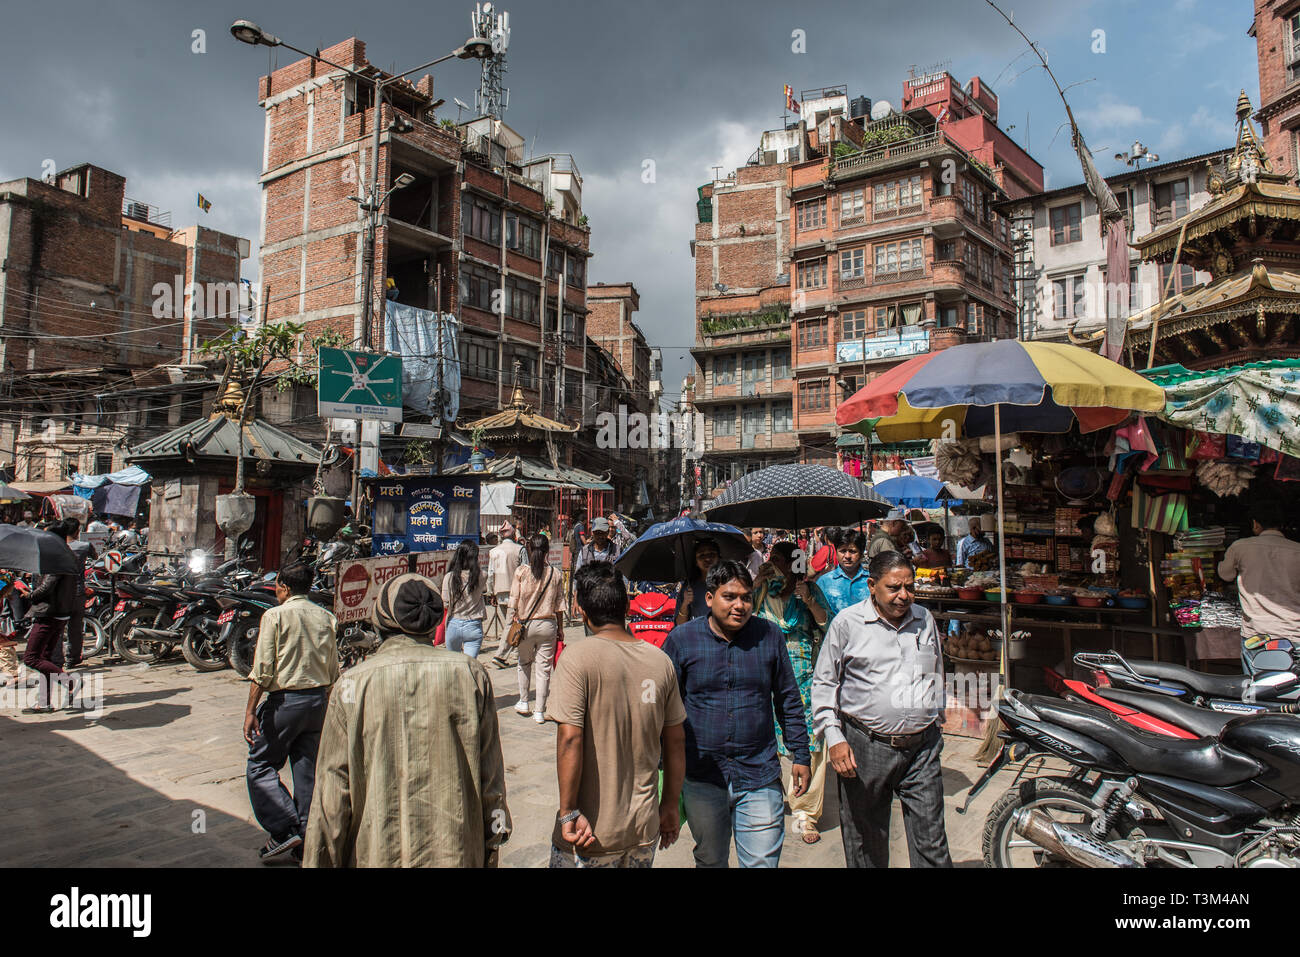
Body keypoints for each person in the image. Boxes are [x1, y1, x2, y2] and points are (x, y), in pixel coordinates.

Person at [303, 573, 511, 867]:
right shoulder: (471, 675)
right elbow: (492, 779)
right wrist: (493, 841)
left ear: (382, 618)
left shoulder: (352, 684)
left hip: (377, 852)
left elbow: (331, 798)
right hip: (457, 852)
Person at [664, 561, 810, 868]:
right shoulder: (682, 640)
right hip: (702, 775)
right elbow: (662, 707)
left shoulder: (768, 636)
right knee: (711, 859)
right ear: (709, 598)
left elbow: (787, 698)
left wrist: (800, 753)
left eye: (745, 597)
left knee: (761, 863)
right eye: (729, 596)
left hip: (759, 773)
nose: (739, 605)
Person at [811, 550, 953, 869]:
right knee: (866, 842)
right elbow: (823, 684)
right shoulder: (847, 624)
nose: (904, 596)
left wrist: (936, 720)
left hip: (922, 748)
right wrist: (834, 738)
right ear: (872, 586)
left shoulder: (924, 619)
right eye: (894, 587)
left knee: (932, 841)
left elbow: (935, 672)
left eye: (909, 586)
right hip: (864, 747)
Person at [546, 561, 687, 867]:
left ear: (580, 609)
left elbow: (570, 739)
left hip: (588, 832)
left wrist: (568, 811)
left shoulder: (576, 659)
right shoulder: (659, 661)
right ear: (626, 605)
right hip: (642, 827)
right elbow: (676, 742)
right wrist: (670, 805)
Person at [244, 561, 339, 863]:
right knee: (306, 772)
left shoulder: (274, 616)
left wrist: (249, 711)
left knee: (260, 765)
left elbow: (262, 670)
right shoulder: (326, 617)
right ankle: (306, 843)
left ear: (283, 587)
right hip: (317, 702)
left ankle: (285, 829)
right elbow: (333, 669)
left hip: (285, 702)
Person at [753, 541, 828, 845]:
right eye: (773, 559)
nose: (775, 564)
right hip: (765, 675)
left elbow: (827, 626)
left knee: (809, 742)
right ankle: (767, 801)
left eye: (781, 560)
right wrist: (756, 584)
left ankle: (805, 813)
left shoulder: (808, 590)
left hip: (803, 677)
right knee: (767, 739)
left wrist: (809, 601)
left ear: (793, 563)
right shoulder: (760, 589)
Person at [1217, 504, 1300, 674]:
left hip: (1257, 633)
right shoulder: (1297, 550)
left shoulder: (1240, 547)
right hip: (1293, 632)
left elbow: (1225, 575)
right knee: (1293, 688)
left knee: (1257, 689)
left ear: (1255, 524)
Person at [508, 533, 564, 724]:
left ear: (529, 549)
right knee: (544, 669)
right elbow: (560, 605)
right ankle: (540, 711)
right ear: (548, 551)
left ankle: (524, 701)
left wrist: (513, 618)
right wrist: (561, 629)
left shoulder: (521, 572)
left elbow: (513, 599)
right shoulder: (556, 574)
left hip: (525, 624)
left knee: (524, 663)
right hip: (548, 625)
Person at [21, 558, 77, 713]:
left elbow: (46, 588)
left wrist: (29, 595)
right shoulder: (67, 560)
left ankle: (70, 682)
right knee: (44, 659)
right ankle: (44, 702)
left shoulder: (55, 562)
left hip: (48, 614)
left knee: (31, 658)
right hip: (59, 613)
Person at [487, 522, 526, 668]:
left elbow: (491, 575)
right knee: (512, 624)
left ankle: (517, 651)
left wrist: (491, 592)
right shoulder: (519, 549)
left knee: (511, 623)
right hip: (515, 593)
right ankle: (500, 655)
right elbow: (525, 571)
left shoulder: (494, 551)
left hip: (499, 591)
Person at [441, 540, 487, 658]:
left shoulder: (449, 577)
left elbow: (445, 602)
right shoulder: (482, 576)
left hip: (454, 624)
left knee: (453, 664)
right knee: (470, 665)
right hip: (473, 625)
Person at [60, 518, 95, 668]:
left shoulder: (58, 546)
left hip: (61, 591)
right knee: (76, 627)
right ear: (77, 531)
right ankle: (72, 658)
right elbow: (97, 559)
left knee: (59, 626)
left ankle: (57, 658)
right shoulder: (85, 546)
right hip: (78, 591)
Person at [816, 529, 871, 623]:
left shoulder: (871, 580)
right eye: (843, 551)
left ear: (861, 554)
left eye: (852, 551)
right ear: (836, 552)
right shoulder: (824, 582)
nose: (847, 556)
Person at [674, 538, 721, 625]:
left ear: (718, 557)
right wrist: (685, 604)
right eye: (702, 555)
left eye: (711, 554)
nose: (707, 559)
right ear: (696, 562)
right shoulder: (689, 587)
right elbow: (679, 625)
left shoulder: (727, 584)